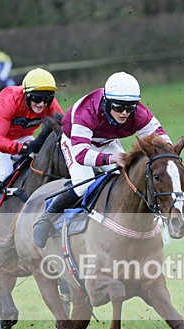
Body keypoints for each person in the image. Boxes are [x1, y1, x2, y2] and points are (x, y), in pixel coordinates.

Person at [32, 71, 172, 248]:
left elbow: (160, 136)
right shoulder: (87, 111)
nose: (124, 113)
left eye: (129, 108)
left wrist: (169, 152)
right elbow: (81, 155)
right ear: (106, 102)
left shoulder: (138, 113)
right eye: (118, 107)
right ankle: (45, 218)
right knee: (83, 185)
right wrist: (110, 158)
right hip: (75, 141)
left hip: (106, 141)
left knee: (127, 178)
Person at [0, 68, 64, 234]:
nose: (42, 104)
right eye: (37, 99)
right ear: (26, 95)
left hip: (23, 137)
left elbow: (62, 125)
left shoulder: (48, 104)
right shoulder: (9, 99)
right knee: (4, 172)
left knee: (40, 162)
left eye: (47, 99)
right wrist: (21, 148)